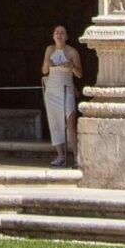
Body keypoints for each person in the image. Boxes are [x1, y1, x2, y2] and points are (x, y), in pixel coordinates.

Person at [41, 23, 85, 168]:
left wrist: (71, 66)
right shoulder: (50, 49)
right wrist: (48, 62)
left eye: (62, 32)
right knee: (54, 123)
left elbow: (79, 74)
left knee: (70, 123)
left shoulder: (72, 52)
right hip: (52, 90)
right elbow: (44, 71)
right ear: (53, 36)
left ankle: (78, 157)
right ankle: (61, 155)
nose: (59, 35)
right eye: (56, 32)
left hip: (66, 89)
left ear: (66, 36)